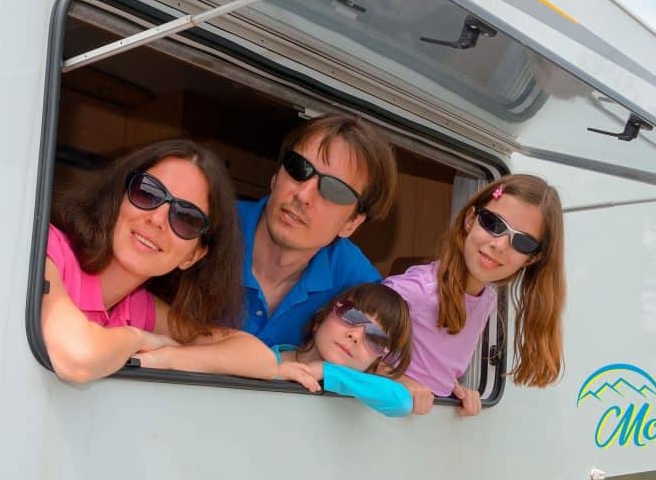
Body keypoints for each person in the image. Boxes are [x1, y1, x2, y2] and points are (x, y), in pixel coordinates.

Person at [42, 138, 271, 384]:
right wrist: (138, 339)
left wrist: (167, 359)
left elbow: (260, 359)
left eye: (185, 217)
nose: (158, 219)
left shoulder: (138, 306)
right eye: (147, 192)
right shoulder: (50, 252)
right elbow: (78, 359)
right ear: (119, 196)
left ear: (192, 256)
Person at [382, 174, 566, 417]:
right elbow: (342, 349)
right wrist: (396, 380)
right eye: (493, 223)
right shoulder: (414, 291)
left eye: (522, 242)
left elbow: (431, 361)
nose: (499, 245)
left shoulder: (486, 300)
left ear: (532, 258)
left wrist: (452, 388)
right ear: (470, 219)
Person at [238, 113, 398, 346]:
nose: (303, 195)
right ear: (276, 176)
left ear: (351, 223)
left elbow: (379, 361)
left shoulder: (356, 283)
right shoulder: (209, 228)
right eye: (298, 168)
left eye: (334, 190)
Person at [272, 283, 414, 417]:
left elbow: (402, 402)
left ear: (377, 360)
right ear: (321, 318)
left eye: (376, 338)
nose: (356, 335)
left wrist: (325, 371)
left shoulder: (361, 386)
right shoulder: (267, 357)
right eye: (351, 315)